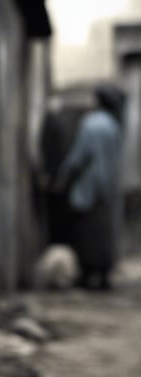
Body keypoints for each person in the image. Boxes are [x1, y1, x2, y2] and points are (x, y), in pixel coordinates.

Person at [52, 83, 126, 290]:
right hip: (107, 187)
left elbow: (79, 155)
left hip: (88, 187)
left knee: (86, 233)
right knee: (104, 232)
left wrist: (63, 178)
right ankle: (103, 274)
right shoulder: (113, 125)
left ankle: (87, 274)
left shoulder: (90, 124)